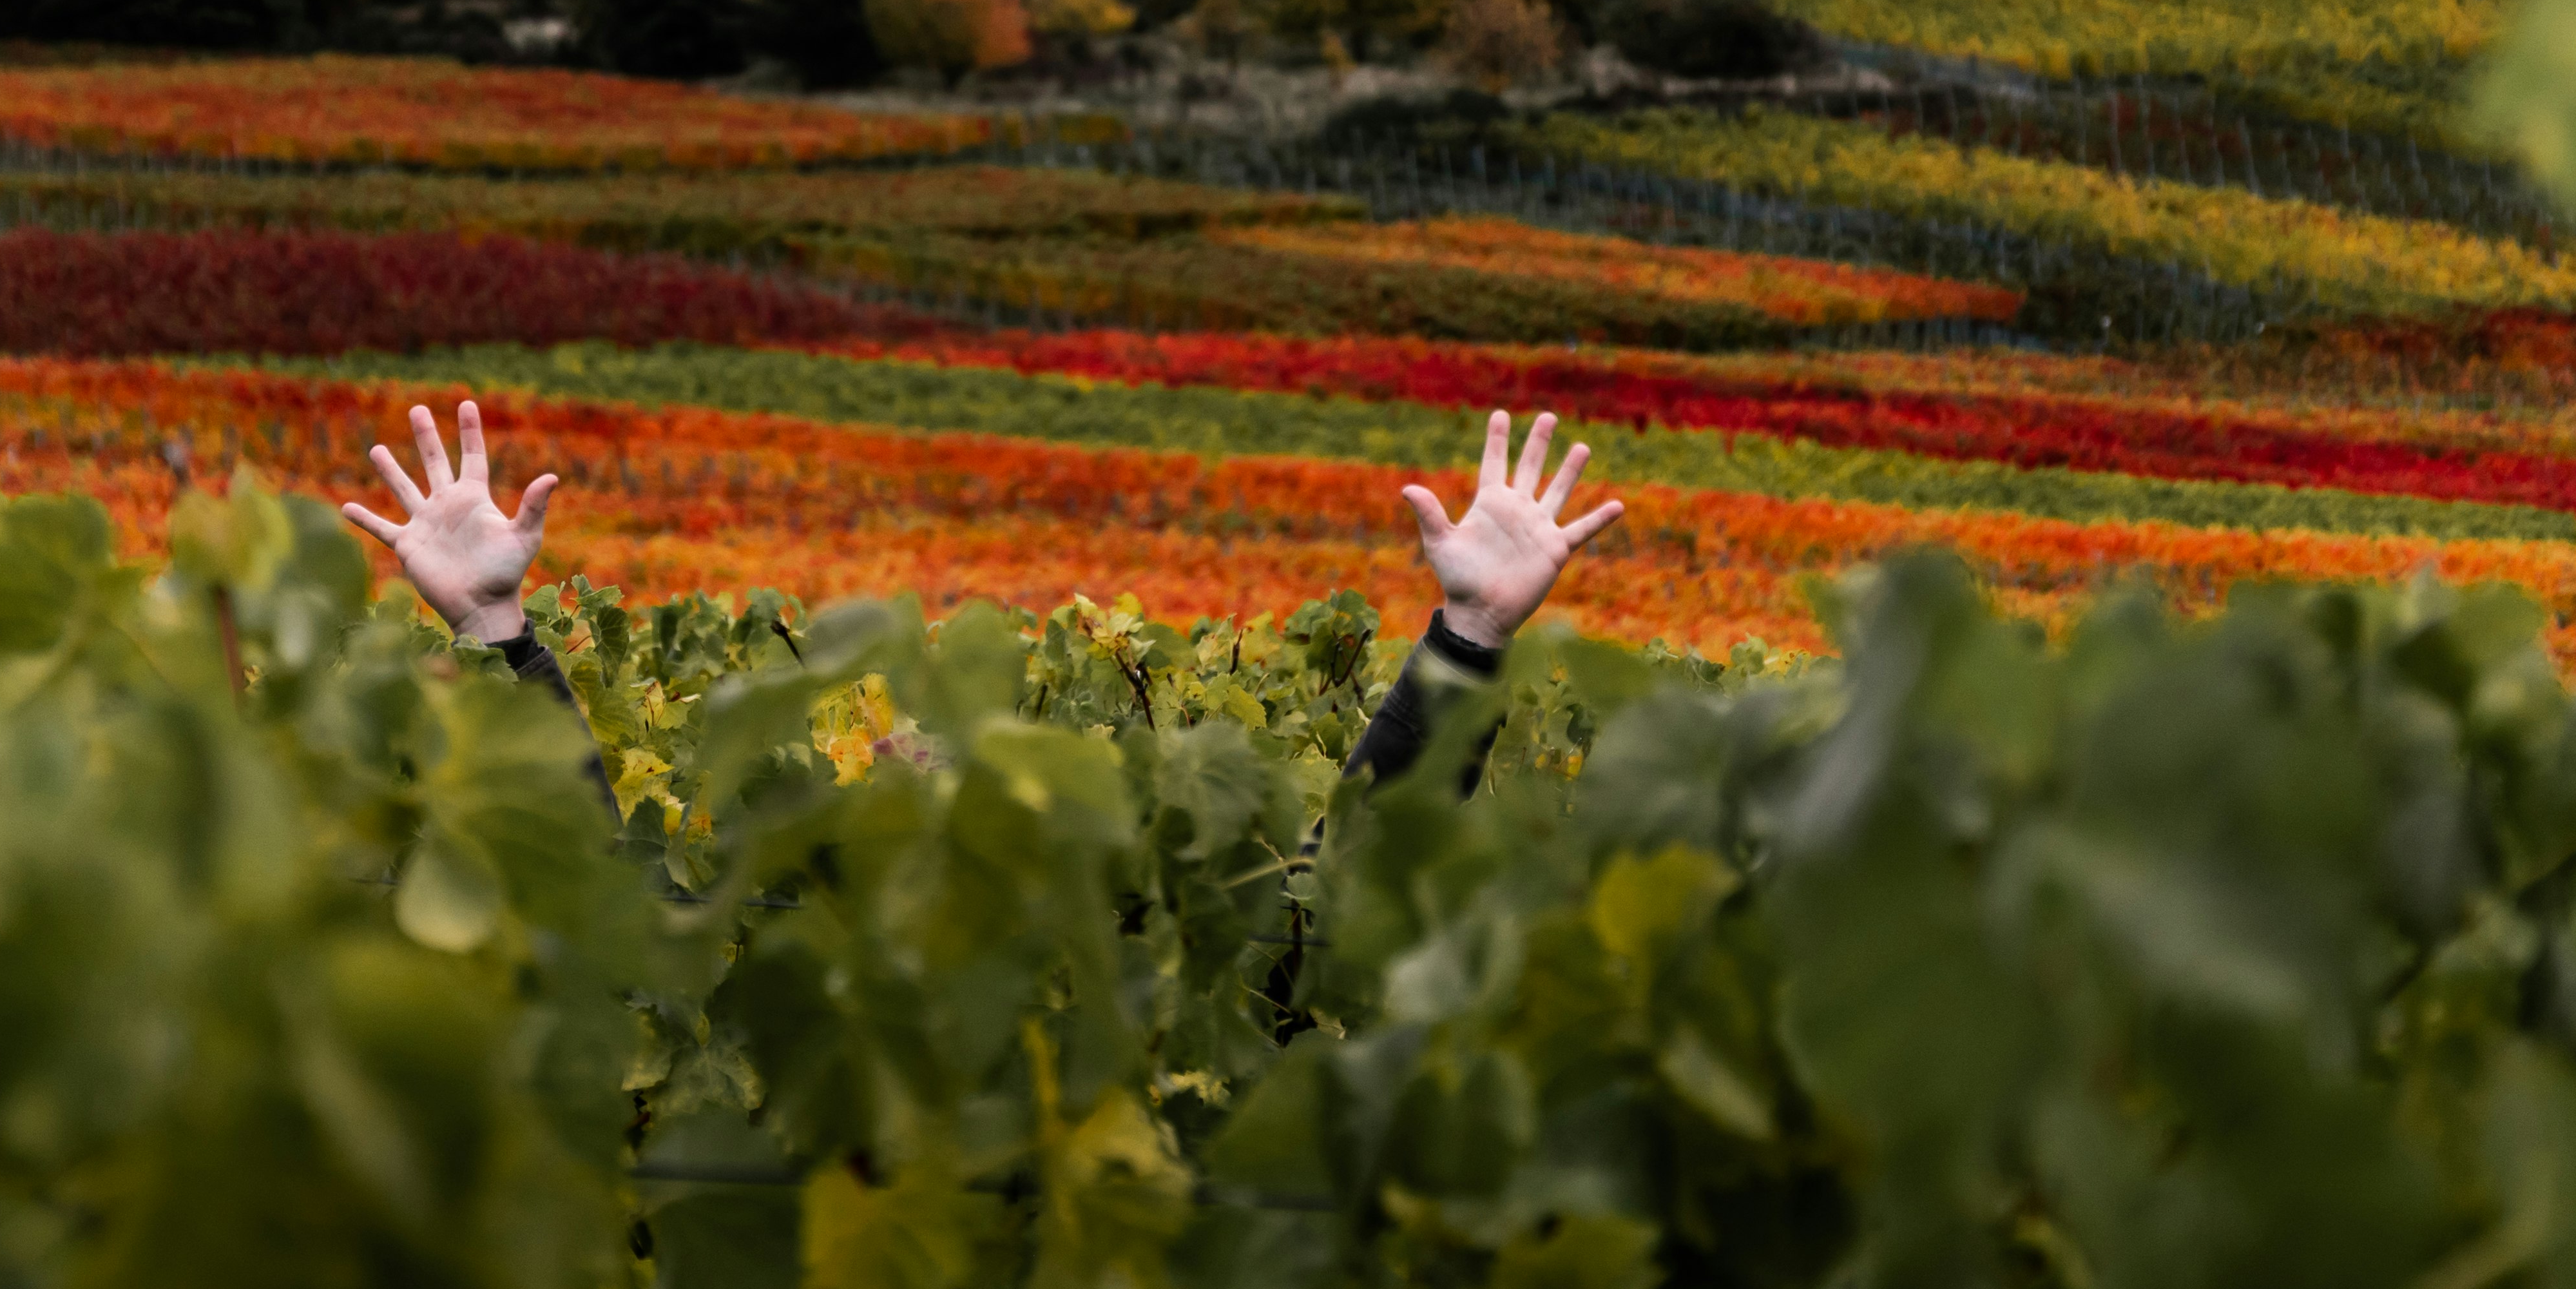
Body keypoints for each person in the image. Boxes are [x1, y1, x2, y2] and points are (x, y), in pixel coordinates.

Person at [336, 396, 1623, 788]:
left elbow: (1352, 899)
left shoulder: (1122, 981)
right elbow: (586, 891)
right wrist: (494, 631)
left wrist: (1468, 638)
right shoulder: (774, 985)